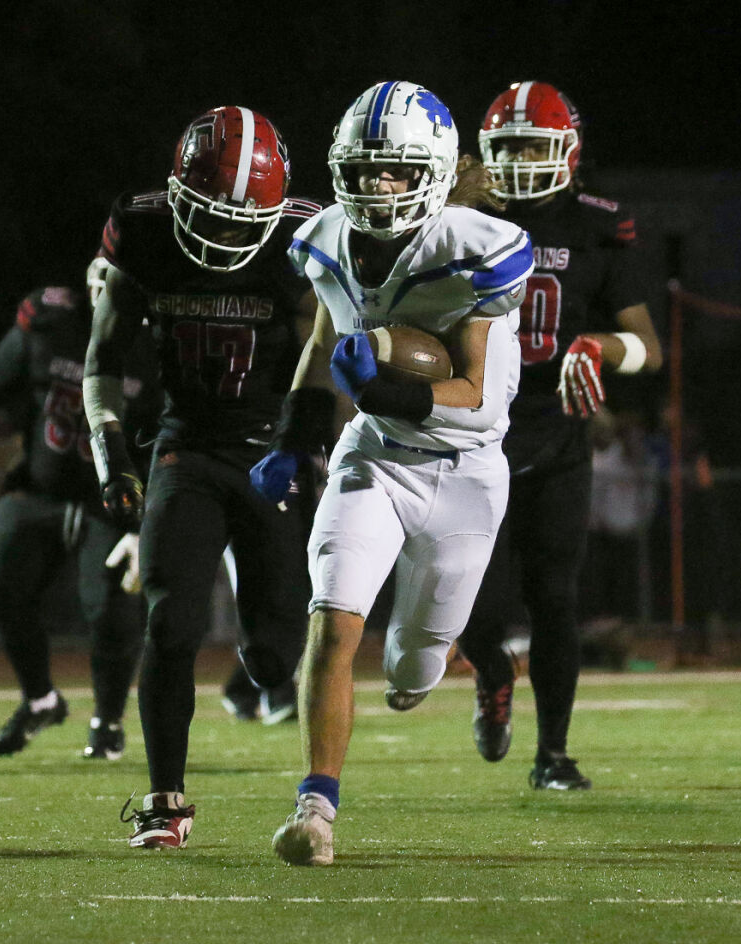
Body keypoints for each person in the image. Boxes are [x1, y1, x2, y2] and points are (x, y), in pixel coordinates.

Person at [249, 80, 535, 866]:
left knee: (413, 666)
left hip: (466, 469)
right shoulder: (324, 240)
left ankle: (434, 665)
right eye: (366, 168)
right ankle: (316, 808)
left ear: (433, 173)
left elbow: (473, 395)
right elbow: (322, 342)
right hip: (374, 456)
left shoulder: (479, 247)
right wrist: (294, 434)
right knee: (334, 618)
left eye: (396, 171)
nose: (376, 185)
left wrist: (382, 387)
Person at [83, 106, 321, 849]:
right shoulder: (144, 229)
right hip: (185, 447)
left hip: (271, 450)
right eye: (208, 216)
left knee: (276, 652)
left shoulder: (305, 238)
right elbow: (103, 363)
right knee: (171, 622)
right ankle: (164, 799)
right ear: (178, 196)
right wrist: (112, 455)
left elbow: (331, 348)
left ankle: (260, 668)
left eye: (237, 220)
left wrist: (304, 441)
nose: (221, 234)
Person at [448, 82, 662, 788]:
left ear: (568, 153)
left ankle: (554, 754)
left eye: (533, 147)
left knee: (555, 599)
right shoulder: (460, 217)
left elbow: (648, 348)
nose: (519, 162)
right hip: (473, 432)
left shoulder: (598, 226)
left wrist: (597, 346)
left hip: (556, 432)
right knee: (473, 599)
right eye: (505, 148)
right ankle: (492, 669)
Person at [0, 276, 147, 760]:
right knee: (1, 580)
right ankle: (40, 699)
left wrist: (142, 523)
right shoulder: (50, 322)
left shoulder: (155, 339)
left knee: (111, 608)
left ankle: (107, 721)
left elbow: (167, 435)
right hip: (41, 485)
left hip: (111, 500)